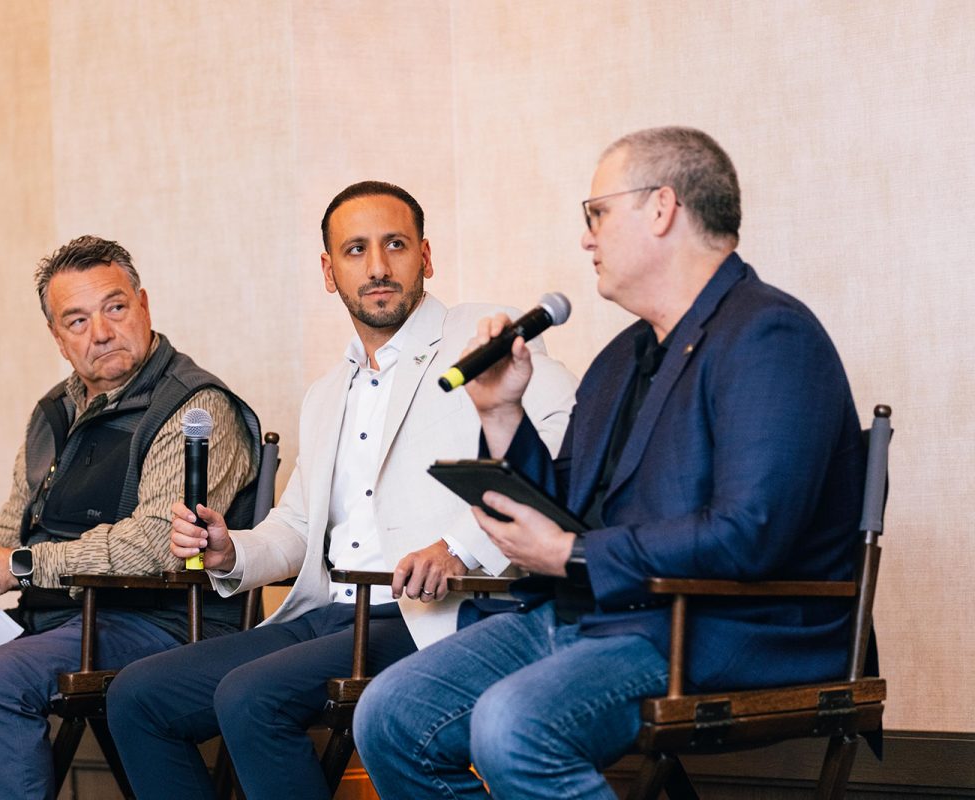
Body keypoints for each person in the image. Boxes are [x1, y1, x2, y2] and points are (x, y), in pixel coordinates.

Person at [354, 127, 867, 799]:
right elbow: (568, 507)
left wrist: (572, 554)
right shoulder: (622, 357)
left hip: (723, 628)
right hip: (602, 613)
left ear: (662, 208)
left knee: (514, 725)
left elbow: (751, 533)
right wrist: (500, 413)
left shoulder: (771, 335)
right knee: (391, 714)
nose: (585, 238)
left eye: (597, 214)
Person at [105, 181, 578, 799]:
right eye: (356, 250)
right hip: (328, 612)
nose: (377, 267)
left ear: (426, 257)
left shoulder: (480, 336)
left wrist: (460, 546)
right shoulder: (327, 393)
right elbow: (299, 526)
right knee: (136, 696)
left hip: (426, 614)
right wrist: (231, 550)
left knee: (250, 697)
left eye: (395, 245)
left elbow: (563, 449)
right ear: (329, 272)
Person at [0, 235, 261, 800]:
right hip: (55, 621)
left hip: (160, 625)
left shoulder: (195, 407)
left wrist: (17, 566)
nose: (101, 332)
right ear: (57, 337)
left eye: (115, 307)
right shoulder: (54, 411)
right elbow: (12, 528)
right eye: (77, 320)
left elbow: (154, 546)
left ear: (144, 305)